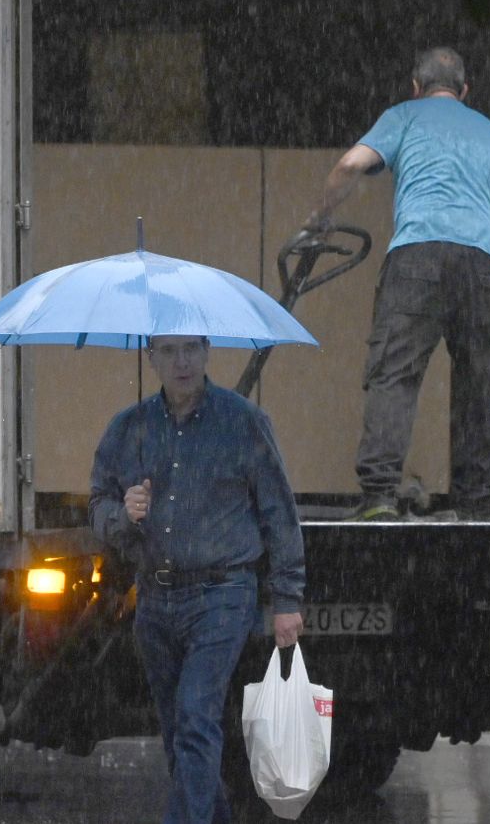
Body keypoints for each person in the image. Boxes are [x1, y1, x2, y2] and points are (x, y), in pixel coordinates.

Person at [303, 47, 490, 521]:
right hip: (482, 263)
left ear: (416, 86)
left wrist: (321, 219)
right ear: (465, 91)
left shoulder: (405, 116)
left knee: (395, 375)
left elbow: (350, 165)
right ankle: (476, 504)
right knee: (478, 382)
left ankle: (381, 497)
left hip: (417, 257)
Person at [89, 334, 306, 824]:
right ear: (151, 358)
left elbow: (279, 513)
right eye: (168, 351)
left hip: (223, 594)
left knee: (194, 719)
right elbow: (97, 504)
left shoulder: (243, 422)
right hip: (157, 599)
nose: (181, 361)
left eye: (191, 349)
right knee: (178, 736)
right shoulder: (130, 429)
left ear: (208, 352)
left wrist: (287, 598)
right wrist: (123, 514)